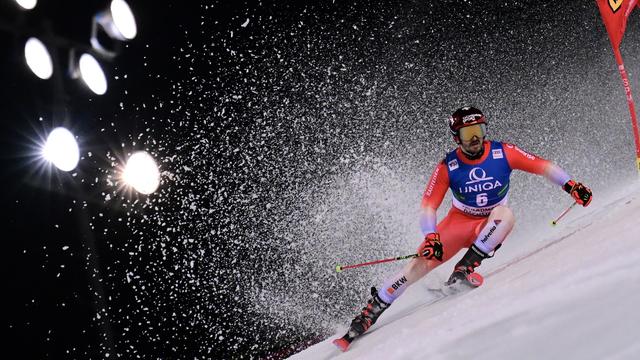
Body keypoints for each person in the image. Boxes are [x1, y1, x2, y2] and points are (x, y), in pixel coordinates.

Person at [333, 106, 593, 351]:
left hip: (487, 223)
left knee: (506, 216)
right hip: (457, 224)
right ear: (456, 138)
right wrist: (431, 237)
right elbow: (428, 206)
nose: (474, 139)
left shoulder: (503, 152)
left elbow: (542, 165)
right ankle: (369, 313)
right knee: (417, 266)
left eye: (478, 131)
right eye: (467, 134)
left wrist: (571, 186)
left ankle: (463, 269)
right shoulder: (449, 165)